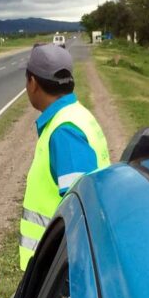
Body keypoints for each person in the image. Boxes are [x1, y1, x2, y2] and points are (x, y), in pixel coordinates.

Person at [19, 44, 110, 271]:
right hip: (55, 266)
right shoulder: (75, 115)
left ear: (33, 83)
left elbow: (81, 213)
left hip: (58, 271)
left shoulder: (64, 131)